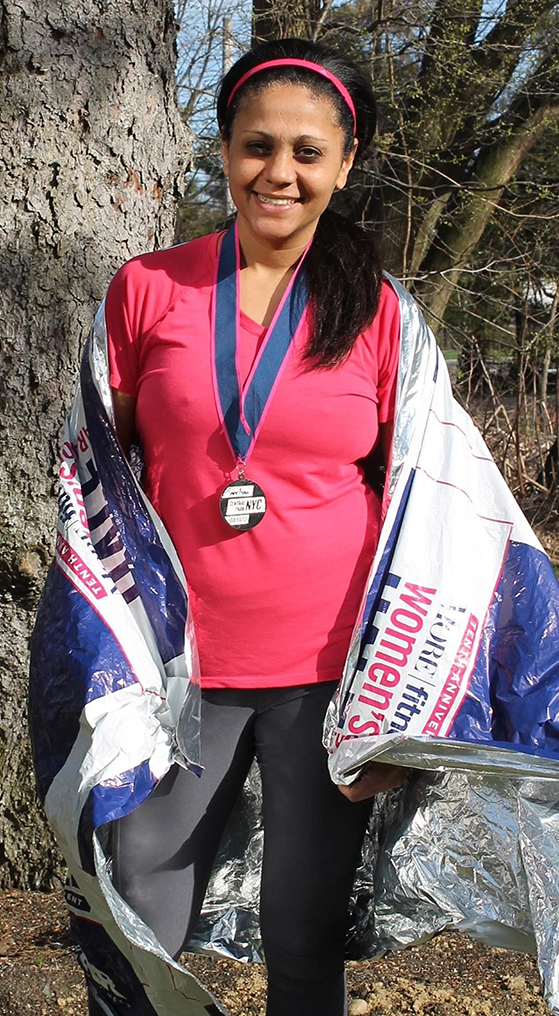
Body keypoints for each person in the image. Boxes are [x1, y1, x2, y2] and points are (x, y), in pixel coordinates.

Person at [93, 36, 407, 1016]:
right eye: (257, 145)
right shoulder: (147, 289)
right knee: (139, 898)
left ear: (343, 164)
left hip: (329, 669)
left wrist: (397, 705)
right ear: (223, 149)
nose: (280, 171)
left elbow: (425, 502)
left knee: (301, 931)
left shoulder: (382, 311)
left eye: (308, 152)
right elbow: (92, 476)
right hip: (180, 666)